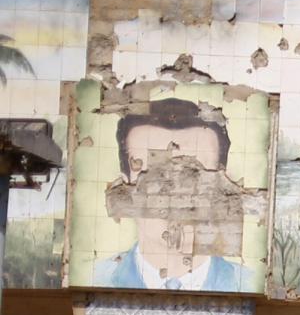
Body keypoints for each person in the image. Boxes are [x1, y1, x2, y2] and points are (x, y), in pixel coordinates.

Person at [89, 98, 252, 291]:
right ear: (125, 188)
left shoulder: (247, 284)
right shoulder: (96, 280)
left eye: (193, 175)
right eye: (154, 179)